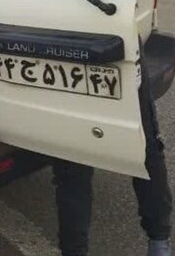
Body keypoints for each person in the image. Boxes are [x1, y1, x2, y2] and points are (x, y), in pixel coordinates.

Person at [53, 58, 171, 256]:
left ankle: (159, 240)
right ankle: (160, 242)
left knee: (72, 162)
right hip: (112, 49)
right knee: (142, 146)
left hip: (76, 52)